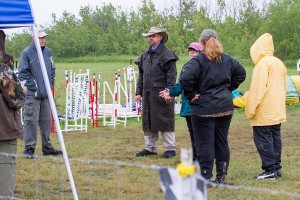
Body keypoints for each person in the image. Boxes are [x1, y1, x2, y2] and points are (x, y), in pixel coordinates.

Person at [180, 29, 246, 184]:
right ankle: (221, 176)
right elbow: (241, 73)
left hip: (204, 109)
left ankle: (205, 176)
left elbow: (185, 78)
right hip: (224, 106)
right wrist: (227, 89)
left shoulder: (197, 61)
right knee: (221, 141)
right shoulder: (227, 60)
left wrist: (191, 95)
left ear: (202, 42)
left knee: (205, 143)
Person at [245, 33, 287, 180]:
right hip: (277, 109)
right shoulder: (279, 62)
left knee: (263, 140)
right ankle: (276, 168)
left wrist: (250, 110)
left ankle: (269, 169)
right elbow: (284, 86)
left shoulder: (262, 65)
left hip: (264, 110)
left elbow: (257, 90)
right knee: (275, 138)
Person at [135, 27, 178, 159]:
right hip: (147, 93)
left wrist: (169, 92)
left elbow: (171, 75)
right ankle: (150, 148)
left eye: (153, 36)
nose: (150, 38)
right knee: (148, 120)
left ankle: (170, 148)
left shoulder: (167, 54)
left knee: (165, 119)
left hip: (162, 93)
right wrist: (138, 92)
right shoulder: (145, 55)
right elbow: (141, 75)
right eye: (149, 36)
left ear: (160, 37)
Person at [18, 30, 62, 158]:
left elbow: (52, 69)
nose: (42, 39)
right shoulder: (27, 53)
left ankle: (47, 147)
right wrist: (34, 86)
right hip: (33, 94)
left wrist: (50, 84)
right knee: (31, 121)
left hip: (46, 94)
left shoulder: (48, 52)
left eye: (44, 37)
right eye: (40, 37)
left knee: (46, 121)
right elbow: (22, 73)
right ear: (33, 38)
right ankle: (29, 148)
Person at [159, 42, 203, 161]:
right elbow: (181, 84)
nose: (192, 52)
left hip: (201, 106)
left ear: (200, 52)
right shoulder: (187, 66)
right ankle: (196, 157)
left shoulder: (204, 65)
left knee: (201, 135)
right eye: (190, 50)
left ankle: (201, 158)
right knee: (193, 134)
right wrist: (171, 91)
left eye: (194, 50)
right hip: (189, 107)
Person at [0, 30, 24, 199]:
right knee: (4, 181)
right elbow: (17, 100)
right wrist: (21, 90)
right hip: (3, 129)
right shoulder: (3, 68)